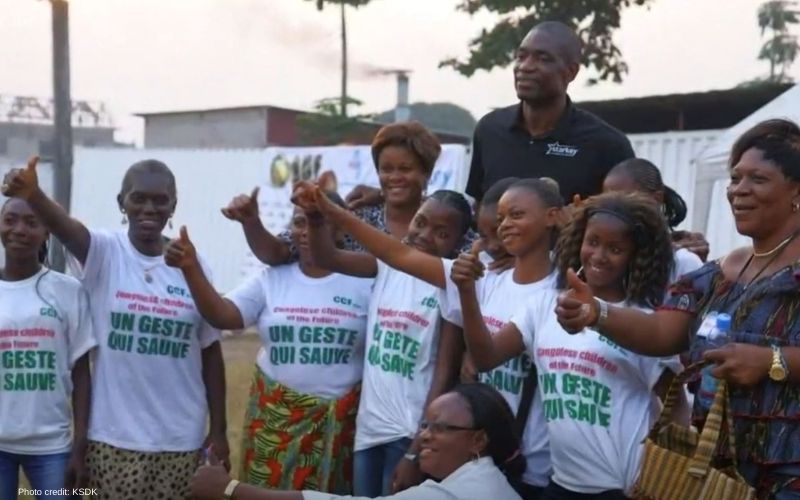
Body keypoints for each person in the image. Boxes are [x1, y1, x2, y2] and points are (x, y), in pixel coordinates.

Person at [555, 119, 800, 499]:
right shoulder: (719, 274)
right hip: (718, 476)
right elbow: (662, 334)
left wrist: (773, 360)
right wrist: (596, 313)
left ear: (796, 190)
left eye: (758, 179)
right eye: (735, 178)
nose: (739, 190)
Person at [294, 178, 563, 499]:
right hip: (477, 456)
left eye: (516, 215)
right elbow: (397, 254)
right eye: (501, 217)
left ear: (552, 216)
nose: (505, 225)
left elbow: (484, 358)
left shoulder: (559, 293)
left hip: (531, 464)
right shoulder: (486, 279)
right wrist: (329, 211)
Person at [1, 157, 227, 500]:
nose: (148, 208)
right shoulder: (105, 252)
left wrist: (220, 430)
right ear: (121, 203)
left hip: (183, 441)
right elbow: (64, 228)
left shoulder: (192, 264)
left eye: (160, 200)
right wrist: (34, 195)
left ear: (173, 206)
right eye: (138, 198)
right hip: (113, 442)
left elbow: (210, 351)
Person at [454, 192, 683, 499]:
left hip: (626, 487)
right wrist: (467, 292)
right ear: (578, 241)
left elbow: (675, 404)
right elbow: (485, 358)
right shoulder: (544, 305)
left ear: (636, 256)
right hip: (561, 483)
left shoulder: (643, 322)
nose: (599, 255)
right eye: (593, 242)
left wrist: (671, 474)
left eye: (615, 249)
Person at [163, 192, 373, 493]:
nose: (306, 230)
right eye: (299, 221)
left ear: (341, 230)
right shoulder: (271, 279)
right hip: (275, 427)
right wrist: (191, 268)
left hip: (339, 433)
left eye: (319, 220)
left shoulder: (366, 282)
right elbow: (224, 316)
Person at [293, 185, 471, 496]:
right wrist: (315, 217)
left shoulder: (449, 282)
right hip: (369, 429)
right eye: (421, 222)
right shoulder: (388, 266)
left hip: (409, 433)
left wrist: (417, 447)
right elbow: (327, 257)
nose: (425, 235)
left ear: (457, 243)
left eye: (441, 233)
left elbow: (444, 377)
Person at [189, 383, 525, 500]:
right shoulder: (486, 478)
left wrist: (230, 490)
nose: (424, 435)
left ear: (478, 439)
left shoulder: (457, 492)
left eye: (440, 428)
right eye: (425, 425)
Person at [227, 122, 473, 265]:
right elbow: (280, 252)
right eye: (386, 169)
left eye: (405, 169)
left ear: (426, 173)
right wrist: (251, 222)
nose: (395, 177)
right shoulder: (356, 217)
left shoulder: (446, 223)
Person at [463, 21, 633, 206]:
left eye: (543, 59)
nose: (525, 66)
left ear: (571, 72)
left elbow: (624, 221)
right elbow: (480, 207)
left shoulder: (608, 145)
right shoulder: (489, 130)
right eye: (521, 56)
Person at [0, 198, 96, 500]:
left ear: (46, 233)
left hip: (53, 447)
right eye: (10, 220)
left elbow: (82, 374)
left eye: (31, 222)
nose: (19, 229)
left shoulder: (68, 291)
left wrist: (80, 445)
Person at [602, 158, 706, 279]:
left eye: (626, 202)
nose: (614, 211)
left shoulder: (684, 262)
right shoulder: (604, 258)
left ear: (656, 199)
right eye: (606, 202)